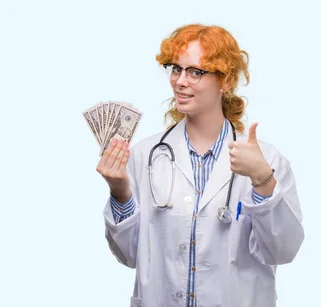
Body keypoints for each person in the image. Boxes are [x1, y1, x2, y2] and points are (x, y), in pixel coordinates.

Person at [96, 23, 305, 307]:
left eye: (196, 72)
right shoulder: (146, 155)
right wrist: (120, 192)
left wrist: (262, 180)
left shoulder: (267, 160)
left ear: (226, 81)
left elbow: (283, 251)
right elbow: (129, 256)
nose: (180, 81)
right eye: (176, 69)